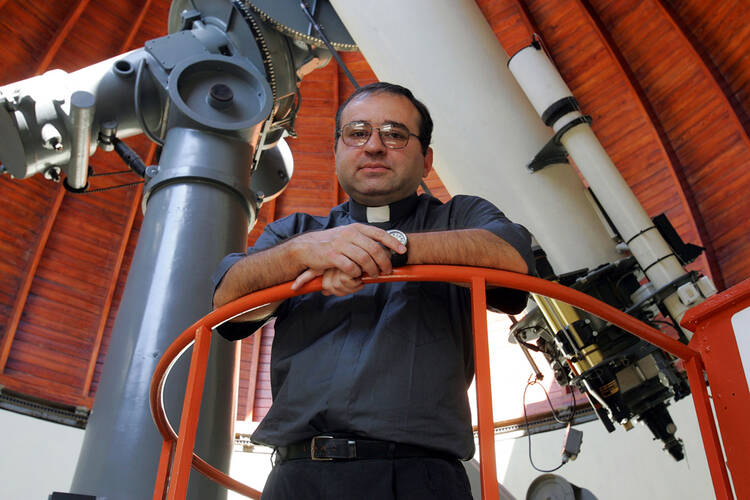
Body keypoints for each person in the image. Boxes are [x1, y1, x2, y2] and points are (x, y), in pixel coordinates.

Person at [212, 82, 534, 499]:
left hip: (421, 479)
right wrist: (302, 255)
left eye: (395, 134)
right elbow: (226, 303)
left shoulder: (460, 215)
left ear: (426, 158)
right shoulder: (297, 234)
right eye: (358, 132)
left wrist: (384, 247)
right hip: (297, 479)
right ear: (338, 150)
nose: (375, 146)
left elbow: (512, 256)